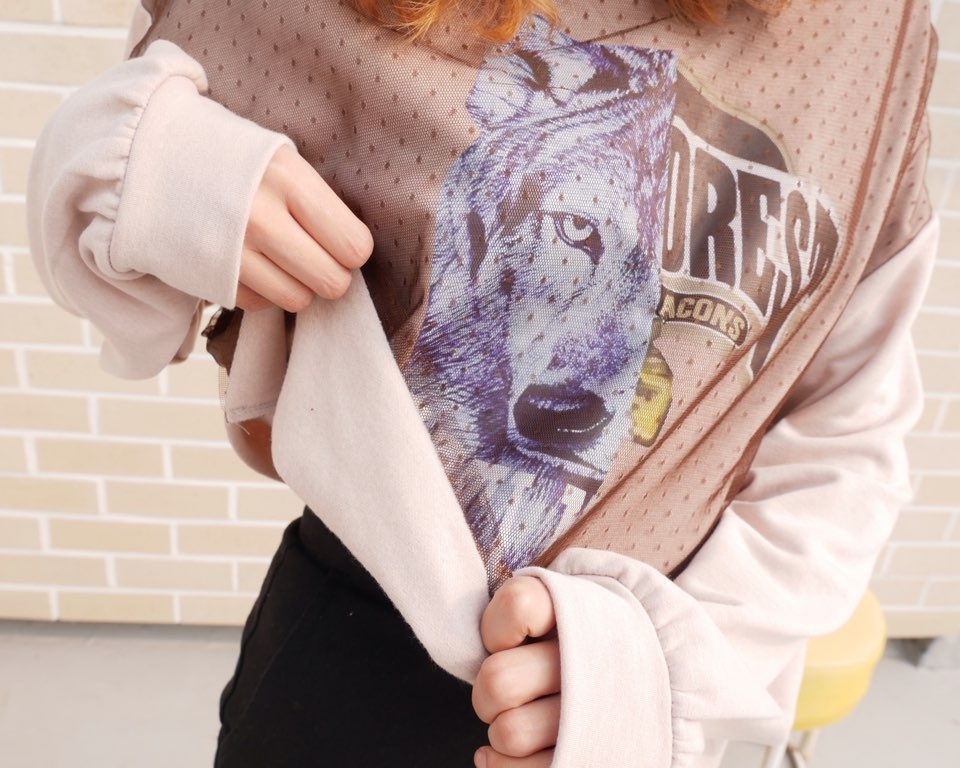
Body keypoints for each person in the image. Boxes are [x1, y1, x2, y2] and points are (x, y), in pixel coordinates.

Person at [26, 0, 938, 766]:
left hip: (622, 712)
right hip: (348, 663)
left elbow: (849, 434)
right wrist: (140, 162)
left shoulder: (866, 42)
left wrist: (669, 666)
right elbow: (132, 318)